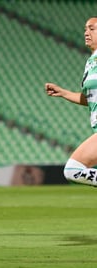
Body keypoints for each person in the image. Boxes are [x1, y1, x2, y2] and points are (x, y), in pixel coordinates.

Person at [45, 17, 97, 187]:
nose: (86, 32)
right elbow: (88, 99)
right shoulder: (91, 62)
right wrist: (63, 92)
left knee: (73, 170)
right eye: (85, 29)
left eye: (92, 29)